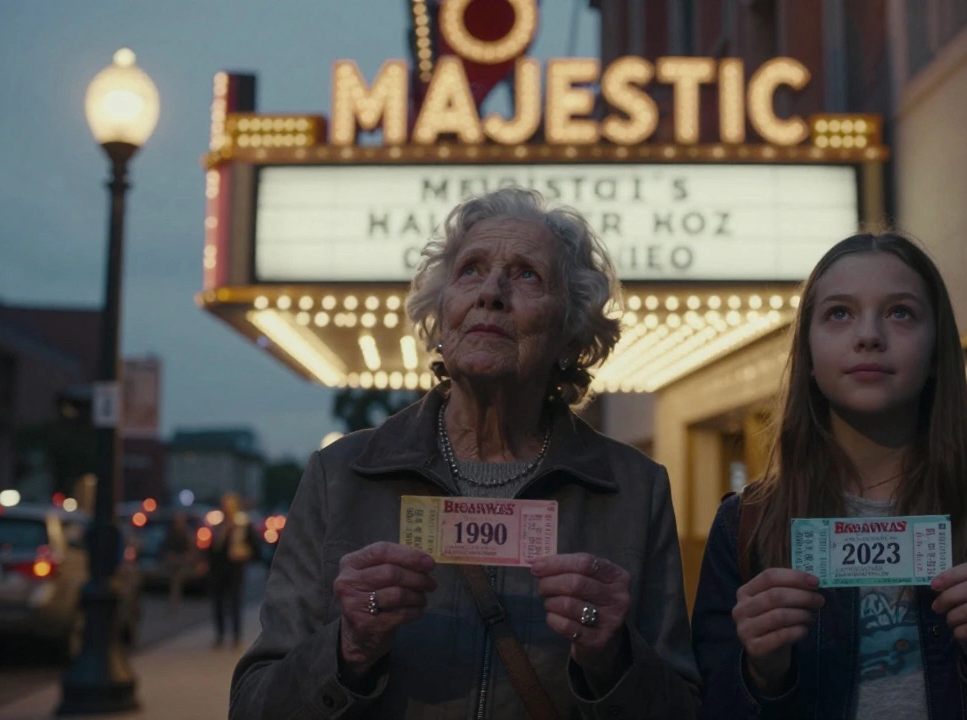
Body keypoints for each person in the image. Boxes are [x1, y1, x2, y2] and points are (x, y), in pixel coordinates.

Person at [230, 188, 699, 719]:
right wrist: (349, 650)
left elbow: (684, 706)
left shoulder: (634, 489)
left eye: (527, 275)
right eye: (470, 270)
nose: (491, 292)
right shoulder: (340, 476)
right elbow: (252, 707)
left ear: (571, 331)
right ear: (442, 314)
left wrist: (615, 662)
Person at [691, 233, 967, 719]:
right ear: (807, 354)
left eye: (900, 312)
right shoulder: (746, 527)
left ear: (936, 352)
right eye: (839, 313)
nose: (869, 335)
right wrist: (759, 675)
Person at [210, 492, 258, 648]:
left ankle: (236, 636)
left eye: (230, 505)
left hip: (236, 567)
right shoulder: (217, 524)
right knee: (218, 602)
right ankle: (220, 635)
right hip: (219, 567)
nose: (227, 509)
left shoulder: (243, 524)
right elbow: (211, 548)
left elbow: (255, 547)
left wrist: (245, 551)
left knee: (235, 601)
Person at [161, 510, 194, 611]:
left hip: (181, 561)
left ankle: (175, 602)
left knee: (176, 581)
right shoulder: (171, 533)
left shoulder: (185, 533)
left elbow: (189, 548)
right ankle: (174, 602)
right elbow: (165, 547)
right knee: (174, 582)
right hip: (172, 561)